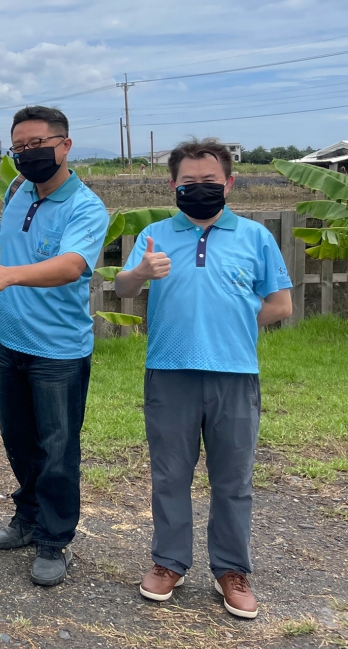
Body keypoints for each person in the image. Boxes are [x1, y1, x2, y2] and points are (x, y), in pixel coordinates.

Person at [115, 139, 291, 619]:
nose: (199, 190)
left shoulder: (255, 236)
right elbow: (122, 287)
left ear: (229, 184)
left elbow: (281, 305)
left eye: (210, 183)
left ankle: (232, 569)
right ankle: (168, 562)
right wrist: (141, 272)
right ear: (173, 185)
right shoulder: (155, 233)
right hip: (169, 373)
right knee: (170, 474)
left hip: (234, 375)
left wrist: (228, 321)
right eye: (188, 183)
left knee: (233, 479)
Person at [0, 105, 108, 587]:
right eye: (19, 148)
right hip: (10, 344)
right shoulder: (16, 191)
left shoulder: (86, 207)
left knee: (57, 449)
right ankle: (27, 517)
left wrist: (8, 275)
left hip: (58, 352)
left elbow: (72, 265)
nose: (28, 155)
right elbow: (16, 252)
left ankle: (55, 539)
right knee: (19, 441)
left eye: (37, 145)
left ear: (65, 145)